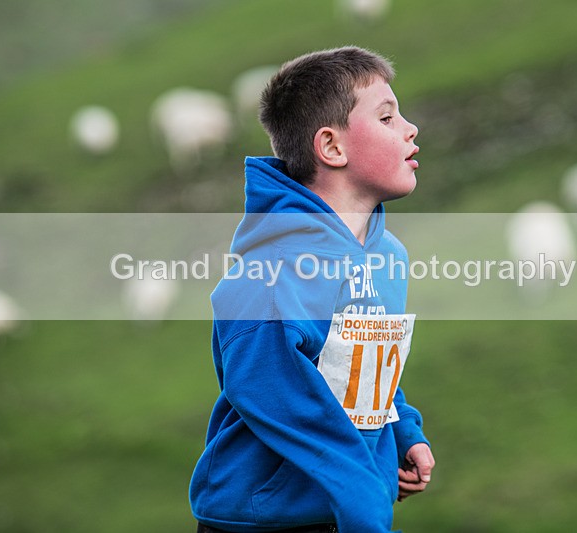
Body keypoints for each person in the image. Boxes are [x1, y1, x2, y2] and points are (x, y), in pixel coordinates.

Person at [190, 46, 435, 533]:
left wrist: (402, 428)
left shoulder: (389, 258)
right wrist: (366, 498)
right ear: (332, 148)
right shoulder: (269, 278)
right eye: (387, 118)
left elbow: (360, 364)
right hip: (267, 521)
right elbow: (278, 398)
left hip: (344, 509)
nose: (410, 128)